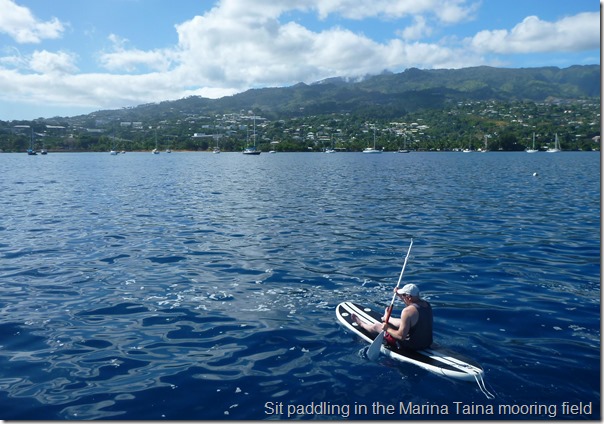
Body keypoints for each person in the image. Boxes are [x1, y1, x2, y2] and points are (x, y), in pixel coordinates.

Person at [352, 283, 433, 350]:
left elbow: (401, 336)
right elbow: (409, 302)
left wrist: (387, 328)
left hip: (410, 346)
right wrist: (398, 293)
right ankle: (387, 318)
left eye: (403, 295)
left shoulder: (407, 311)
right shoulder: (426, 305)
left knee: (377, 326)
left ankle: (361, 323)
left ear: (409, 297)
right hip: (427, 343)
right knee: (403, 321)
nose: (402, 297)